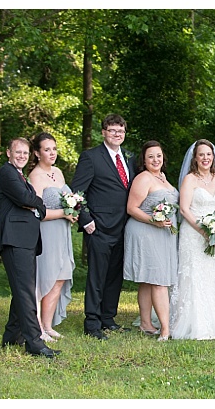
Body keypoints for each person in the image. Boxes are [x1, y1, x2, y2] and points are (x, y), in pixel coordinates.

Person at [69, 114, 135, 340]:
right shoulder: (91, 157)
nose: (117, 135)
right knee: (97, 277)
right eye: (113, 130)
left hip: (124, 227)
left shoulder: (129, 157)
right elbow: (76, 193)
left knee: (114, 276)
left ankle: (108, 318)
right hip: (98, 227)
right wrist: (85, 219)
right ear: (104, 132)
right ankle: (92, 324)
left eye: (121, 131)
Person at [170, 139, 215, 340]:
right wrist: (204, 231)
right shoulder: (189, 180)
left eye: (208, 154)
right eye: (201, 154)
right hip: (193, 235)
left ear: (213, 157)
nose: (205, 158)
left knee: (213, 276)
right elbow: (184, 209)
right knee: (193, 275)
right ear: (195, 158)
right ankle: (192, 324)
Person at [0, 137, 55, 358]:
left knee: (22, 291)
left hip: (24, 240)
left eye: (25, 153)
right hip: (15, 239)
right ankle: (34, 342)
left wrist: (34, 202)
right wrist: (37, 202)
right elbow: (24, 198)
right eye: (17, 152)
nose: (21, 156)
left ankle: (11, 337)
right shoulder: (7, 173)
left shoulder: (19, 176)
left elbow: (32, 201)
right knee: (26, 292)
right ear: (8, 153)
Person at [122, 140, 177, 341]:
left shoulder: (162, 177)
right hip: (145, 232)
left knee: (148, 281)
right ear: (144, 160)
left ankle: (146, 323)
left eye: (158, 155)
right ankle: (165, 329)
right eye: (150, 156)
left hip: (162, 234)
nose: (155, 159)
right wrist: (154, 221)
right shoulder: (143, 178)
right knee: (158, 280)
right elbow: (132, 208)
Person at [26, 133, 75, 342]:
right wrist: (64, 213)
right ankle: (37, 327)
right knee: (45, 278)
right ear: (37, 153)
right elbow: (37, 211)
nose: (52, 153)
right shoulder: (36, 176)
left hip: (62, 231)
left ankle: (47, 325)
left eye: (54, 148)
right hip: (46, 232)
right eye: (47, 149)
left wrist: (73, 211)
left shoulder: (58, 172)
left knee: (60, 278)